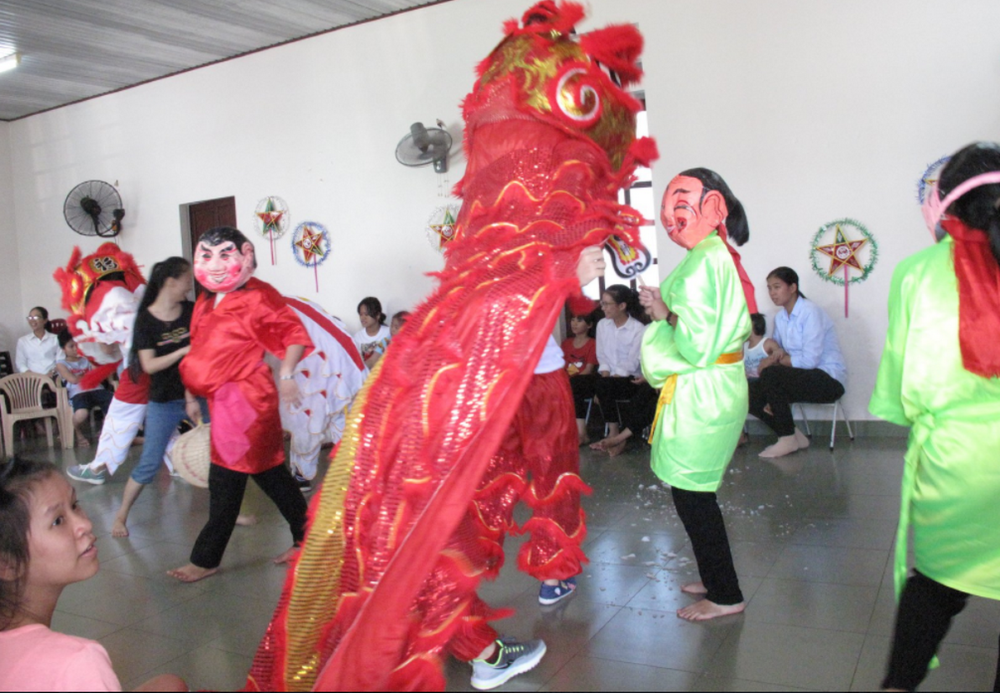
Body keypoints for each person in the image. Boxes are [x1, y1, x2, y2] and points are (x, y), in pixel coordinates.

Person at [870, 142, 1000, 692]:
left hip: (956, 468)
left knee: (936, 586)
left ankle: (898, 685)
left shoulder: (917, 272)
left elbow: (900, 395)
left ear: (942, 203)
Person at [640, 167, 756, 622]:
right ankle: (713, 575)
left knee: (693, 494)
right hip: (704, 388)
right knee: (693, 491)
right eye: (667, 210)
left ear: (712, 208)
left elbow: (696, 342)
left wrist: (664, 313)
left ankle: (726, 593)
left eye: (681, 206)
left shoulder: (711, 257)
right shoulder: (708, 253)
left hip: (706, 391)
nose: (671, 219)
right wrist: (664, 311)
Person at [168, 227, 311, 583]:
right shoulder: (204, 300)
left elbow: (293, 334)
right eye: (206, 255)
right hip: (220, 401)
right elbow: (200, 350)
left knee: (226, 480)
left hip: (248, 403)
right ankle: (306, 537)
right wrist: (190, 395)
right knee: (272, 475)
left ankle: (205, 558)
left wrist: (288, 374)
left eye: (224, 255)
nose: (215, 264)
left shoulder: (259, 296)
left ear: (245, 255)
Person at [0, 456, 185, 692]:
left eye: (75, 505)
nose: (85, 525)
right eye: (58, 521)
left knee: (169, 685)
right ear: (7, 563)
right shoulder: (76, 662)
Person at [72, 258, 204, 537]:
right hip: (161, 399)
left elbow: (199, 353)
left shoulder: (189, 310)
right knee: (147, 464)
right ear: (170, 282)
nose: (190, 285)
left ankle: (228, 509)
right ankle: (120, 515)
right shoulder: (143, 318)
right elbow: (149, 365)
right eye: (186, 280)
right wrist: (182, 352)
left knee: (223, 452)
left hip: (191, 392)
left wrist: (192, 394)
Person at [749, 267, 847, 459]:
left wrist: (777, 360)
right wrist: (775, 357)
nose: (772, 293)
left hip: (828, 379)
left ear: (793, 287)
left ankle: (786, 438)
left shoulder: (810, 311)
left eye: (777, 287)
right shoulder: (780, 318)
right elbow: (779, 352)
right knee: (748, 389)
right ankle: (793, 435)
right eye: (769, 288)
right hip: (799, 377)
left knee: (771, 374)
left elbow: (809, 361)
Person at [588, 284, 652, 457]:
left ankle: (618, 437)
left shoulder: (637, 329)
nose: (603, 308)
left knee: (605, 386)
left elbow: (631, 362)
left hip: (630, 378)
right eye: (602, 303)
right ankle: (613, 432)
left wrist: (610, 380)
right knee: (597, 383)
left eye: (607, 304)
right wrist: (606, 375)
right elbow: (602, 356)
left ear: (622, 306)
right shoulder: (602, 325)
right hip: (609, 378)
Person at [55, 332, 114, 448]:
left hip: (97, 389)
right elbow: (73, 380)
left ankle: (104, 430)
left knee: (115, 404)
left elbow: (99, 374)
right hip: (78, 393)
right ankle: (78, 432)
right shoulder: (61, 364)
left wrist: (91, 366)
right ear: (63, 349)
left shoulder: (87, 359)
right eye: (71, 346)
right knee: (81, 414)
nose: (75, 349)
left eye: (77, 345)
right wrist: (89, 376)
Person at [563, 307, 599, 444]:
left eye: (579, 320)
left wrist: (568, 381)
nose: (574, 323)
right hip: (568, 380)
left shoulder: (592, 344)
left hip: (584, 381)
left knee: (575, 385)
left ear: (589, 325)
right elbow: (562, 367)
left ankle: (582, 433)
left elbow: (588, 369)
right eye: (573, 319)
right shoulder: (566, 343)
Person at [15, 307, 59, 378]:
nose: (32, 320)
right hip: (32, 379)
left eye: (36, 317)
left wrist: (52, 373)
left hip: (53, 377)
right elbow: (20, 363)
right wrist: (32, 375)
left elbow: (61, 360)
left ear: (45, 320)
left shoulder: (56, 339)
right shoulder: (23, 341)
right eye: (30, 317)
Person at [353, 297, 391, 369]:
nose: (363, 318)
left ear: (377, 315)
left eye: (366, 314)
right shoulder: (357, 337)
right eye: (361, 314)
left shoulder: (388, 332)